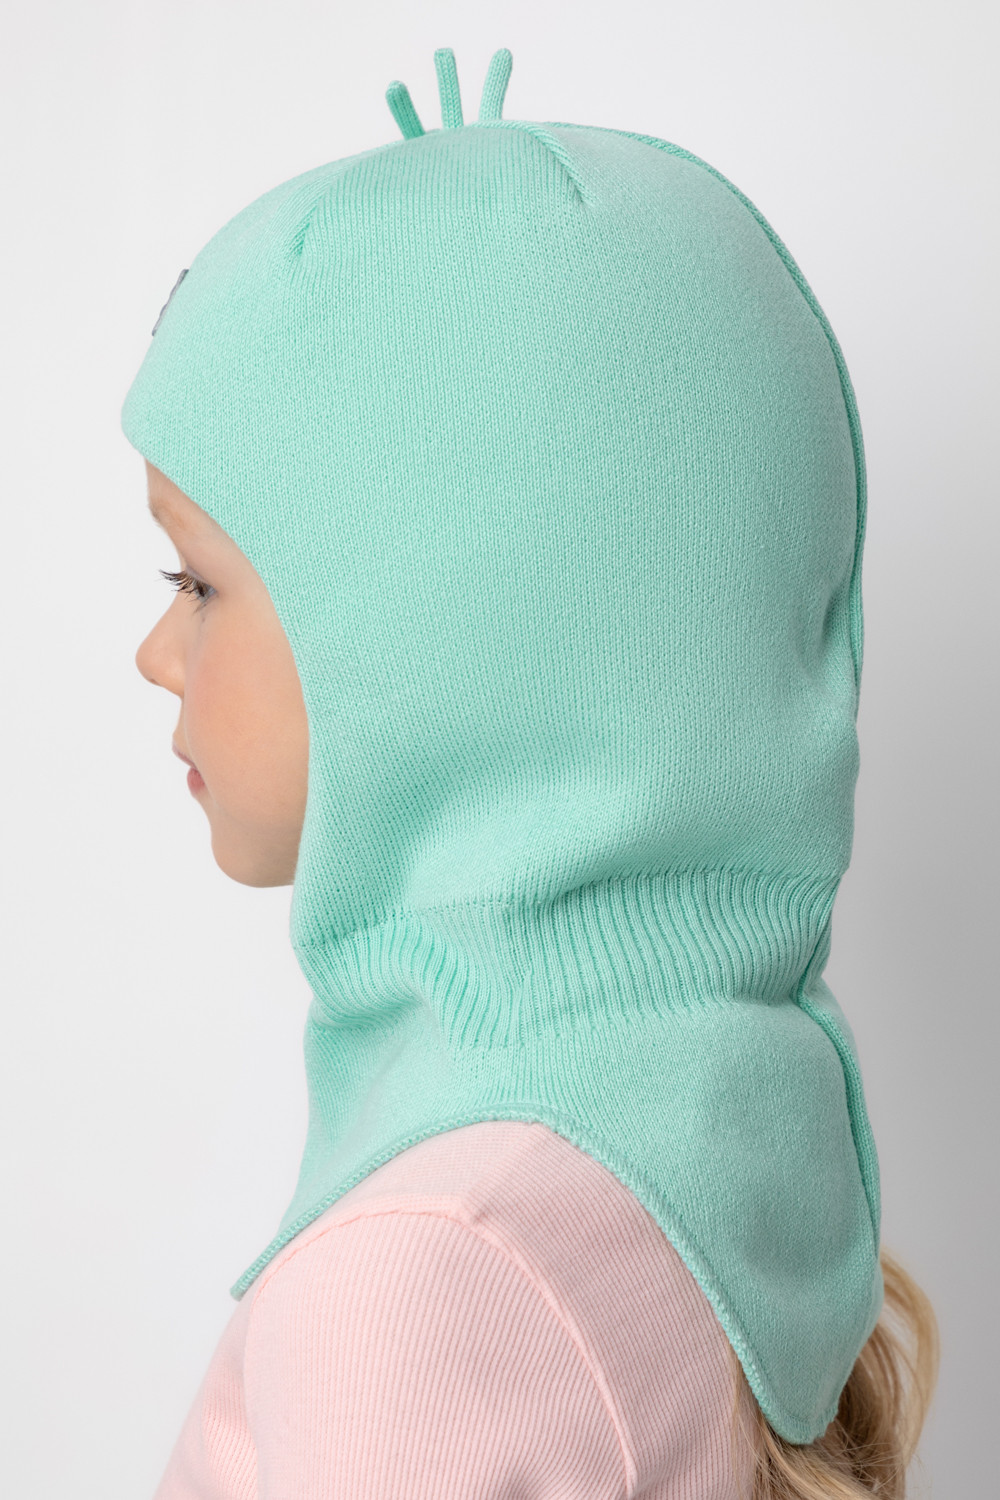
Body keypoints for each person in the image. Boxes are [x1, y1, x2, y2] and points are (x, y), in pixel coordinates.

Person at [126, 45, 939, 1499]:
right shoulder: (729, 1111)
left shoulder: (423, 1276)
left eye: (197, 584)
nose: (152, 655)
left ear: (438, 640)